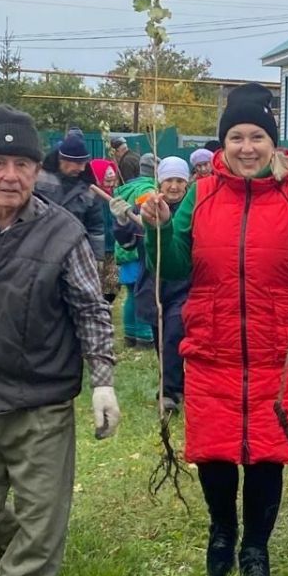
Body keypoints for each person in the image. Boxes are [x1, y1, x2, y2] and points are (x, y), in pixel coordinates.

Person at [139, 83, 288, 576]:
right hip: (215, 345)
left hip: (283, 346)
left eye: (257, 137)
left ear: (273, 143)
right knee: (214, 451)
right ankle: (221, 531)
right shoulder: (201, 196)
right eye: (236, 137)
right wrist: (160, 230)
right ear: (223, 144)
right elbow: (177, 264)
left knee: (268, 454)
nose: (247, 147)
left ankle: (256, 547)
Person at [0, 105, 120, 576]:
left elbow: (89, 307)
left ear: (38, 171)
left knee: (41, 514)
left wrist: (103, 382)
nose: (9, 175)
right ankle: (4, 549)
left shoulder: (63, 233)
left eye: (22, 164)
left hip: (40, 397)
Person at [111, 157, 191, 411]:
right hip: (153, 284)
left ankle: (170, 392)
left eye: (180, 181)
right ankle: (175, 383)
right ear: (160, 182)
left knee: (174, 335)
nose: (174, 186)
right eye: (169, 180)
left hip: (183, 286)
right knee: (161, 338)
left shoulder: (191, 211)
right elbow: (127, 244)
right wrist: (123, 221)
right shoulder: (146, 207)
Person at [35, 134, 105, 261]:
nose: (82, 168)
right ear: (63, 160)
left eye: (84, 163)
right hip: (39, 250)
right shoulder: (39, 177)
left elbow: (96, 227)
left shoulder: (90, 189)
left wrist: (97, 258)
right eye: (78, 163)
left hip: (73, 255)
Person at [113, 153, 157, 348]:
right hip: (137, 246)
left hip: (124, 245)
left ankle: (130, 333)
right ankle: (144, 335)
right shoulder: (148, 190)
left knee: (132, 292)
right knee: (142, 291)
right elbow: (144, 218)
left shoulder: (127, 187)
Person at [90, 158, 120, 303]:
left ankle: (108, 303)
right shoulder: (91, 197)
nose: (110, 185)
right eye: (106, 182)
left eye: (112, 181)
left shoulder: (116, 195)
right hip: (96, 247)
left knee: (113, 281)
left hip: (113, 244)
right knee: (96, 279)